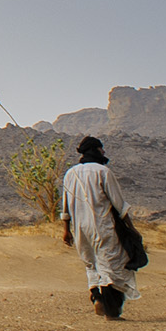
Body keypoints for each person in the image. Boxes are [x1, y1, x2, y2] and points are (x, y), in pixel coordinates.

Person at [60, 135, 136, 318]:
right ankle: (112, 310)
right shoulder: (103, 172)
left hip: (80, 228)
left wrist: (66, 230)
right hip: (103, 226)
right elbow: (119, 205)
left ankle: (97, 299)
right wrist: (132, 228)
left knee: (90, 263)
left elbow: (65, 206)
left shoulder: (70, 173)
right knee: (110, 265)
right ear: (95, 150)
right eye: (101, 148)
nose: (104, 152)